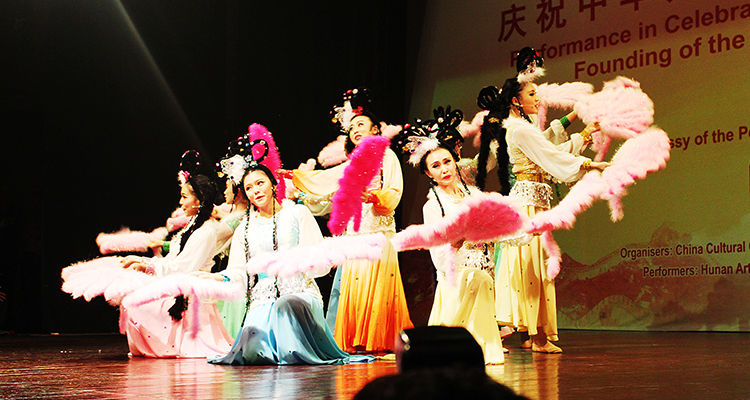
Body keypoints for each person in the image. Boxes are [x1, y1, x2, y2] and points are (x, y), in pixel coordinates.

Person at [202, 132, 364, 365]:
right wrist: (217, 278)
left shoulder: (297, 213)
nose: (256, 191)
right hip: (262, 297)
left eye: (260, 183)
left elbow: (318, 260)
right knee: (255, 352)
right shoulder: (244, 228)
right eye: (249, 188)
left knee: (286, 319)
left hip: (299, 290)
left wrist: (301, 264)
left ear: (273, 184)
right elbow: (238, 271)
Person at [492, 53, 609, 353]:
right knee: (533, 268)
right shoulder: (519, 129)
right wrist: (586, 165)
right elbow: (552, 157)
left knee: (533, 267)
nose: (537, 98)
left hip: (533, 200)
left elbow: (549, 149)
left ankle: (532, 334)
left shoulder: (521, 128)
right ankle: (537, 336)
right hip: (528, 203)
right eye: (531, 94)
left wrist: (584, 132)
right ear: (516, 101)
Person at [281, 89, 412, 353]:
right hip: (352, 239)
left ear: (375, 129)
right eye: (351, 127)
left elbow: (395, 190)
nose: (355, 129)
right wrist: (297, 181)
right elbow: (326, 187)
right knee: (353, 291)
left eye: (361, 124)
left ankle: (382, 342)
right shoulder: (350, 165)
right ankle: (358, 342)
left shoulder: (385, 155)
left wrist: (375, 197)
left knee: (378, 293)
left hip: (377, 235)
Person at [395, 108, 505, 364]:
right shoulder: (433, 205)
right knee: (477, 279)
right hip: (458, 275)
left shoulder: (474, 195)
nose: (444, 169)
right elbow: (439, 259)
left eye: (447, 161)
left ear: (455, 160)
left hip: (483, 270)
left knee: (483, 278)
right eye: (435, 166)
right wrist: (456, 243)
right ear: (427, 173)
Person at [118, 150, 234, 358]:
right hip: (180, 291)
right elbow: (174, 261)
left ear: (199, 200)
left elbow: (184, 268)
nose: (180, 203)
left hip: (192, 298)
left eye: (184, 197)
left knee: (135, 304)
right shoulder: (190, 227)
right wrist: (141, 261)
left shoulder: (206, 231)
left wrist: (148, 266)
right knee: (130, 299)